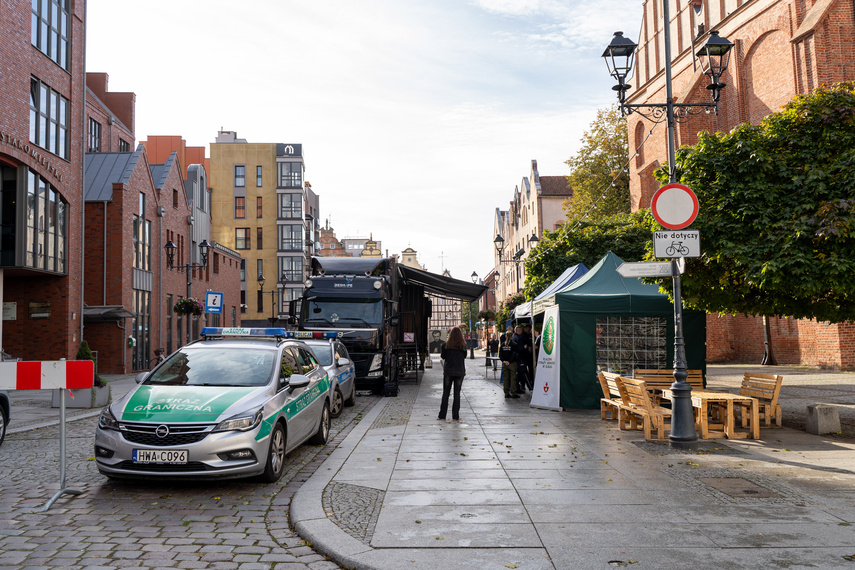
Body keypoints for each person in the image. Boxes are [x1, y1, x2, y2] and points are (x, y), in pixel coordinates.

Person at [438, 327, 467, 420]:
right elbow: (465, 356)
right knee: (457, 394)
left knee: (446, 393)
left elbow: (443, 356)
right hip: (459, 371)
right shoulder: (463, 346)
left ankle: (442, 415)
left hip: (448, 372)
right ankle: (455, 415)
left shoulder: (445, 345)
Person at [499, 328, 519, 398]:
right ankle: (513, 393)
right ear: (512, 336)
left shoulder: (502, 345)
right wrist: (509, 361)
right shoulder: (514, 344)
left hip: (505, 364)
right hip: (512, 363)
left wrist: (504, 361)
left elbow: (500, 354)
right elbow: (514, 354)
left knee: (506, 379)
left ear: (506, 336)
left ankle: (506, 393)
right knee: (513, 378)